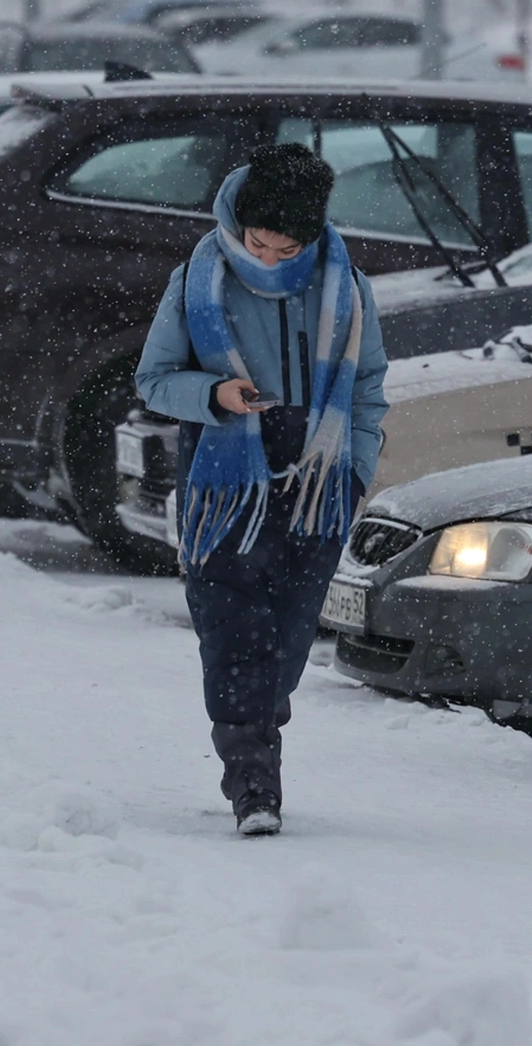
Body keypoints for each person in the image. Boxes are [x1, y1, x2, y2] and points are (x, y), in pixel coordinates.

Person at [135, 143, 389, 837]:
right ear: (237, 224)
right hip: (224, 471)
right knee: (231, 624)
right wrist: (213, 393)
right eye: (258, 242)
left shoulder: (344, 284)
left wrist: (357, 470)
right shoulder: (197, 279)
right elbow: (153, 380)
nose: (270, 260)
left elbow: (366, 390)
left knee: (287, 634)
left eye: (286, 248)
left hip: (319, 474)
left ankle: (256, 734)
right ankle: (252, 780)